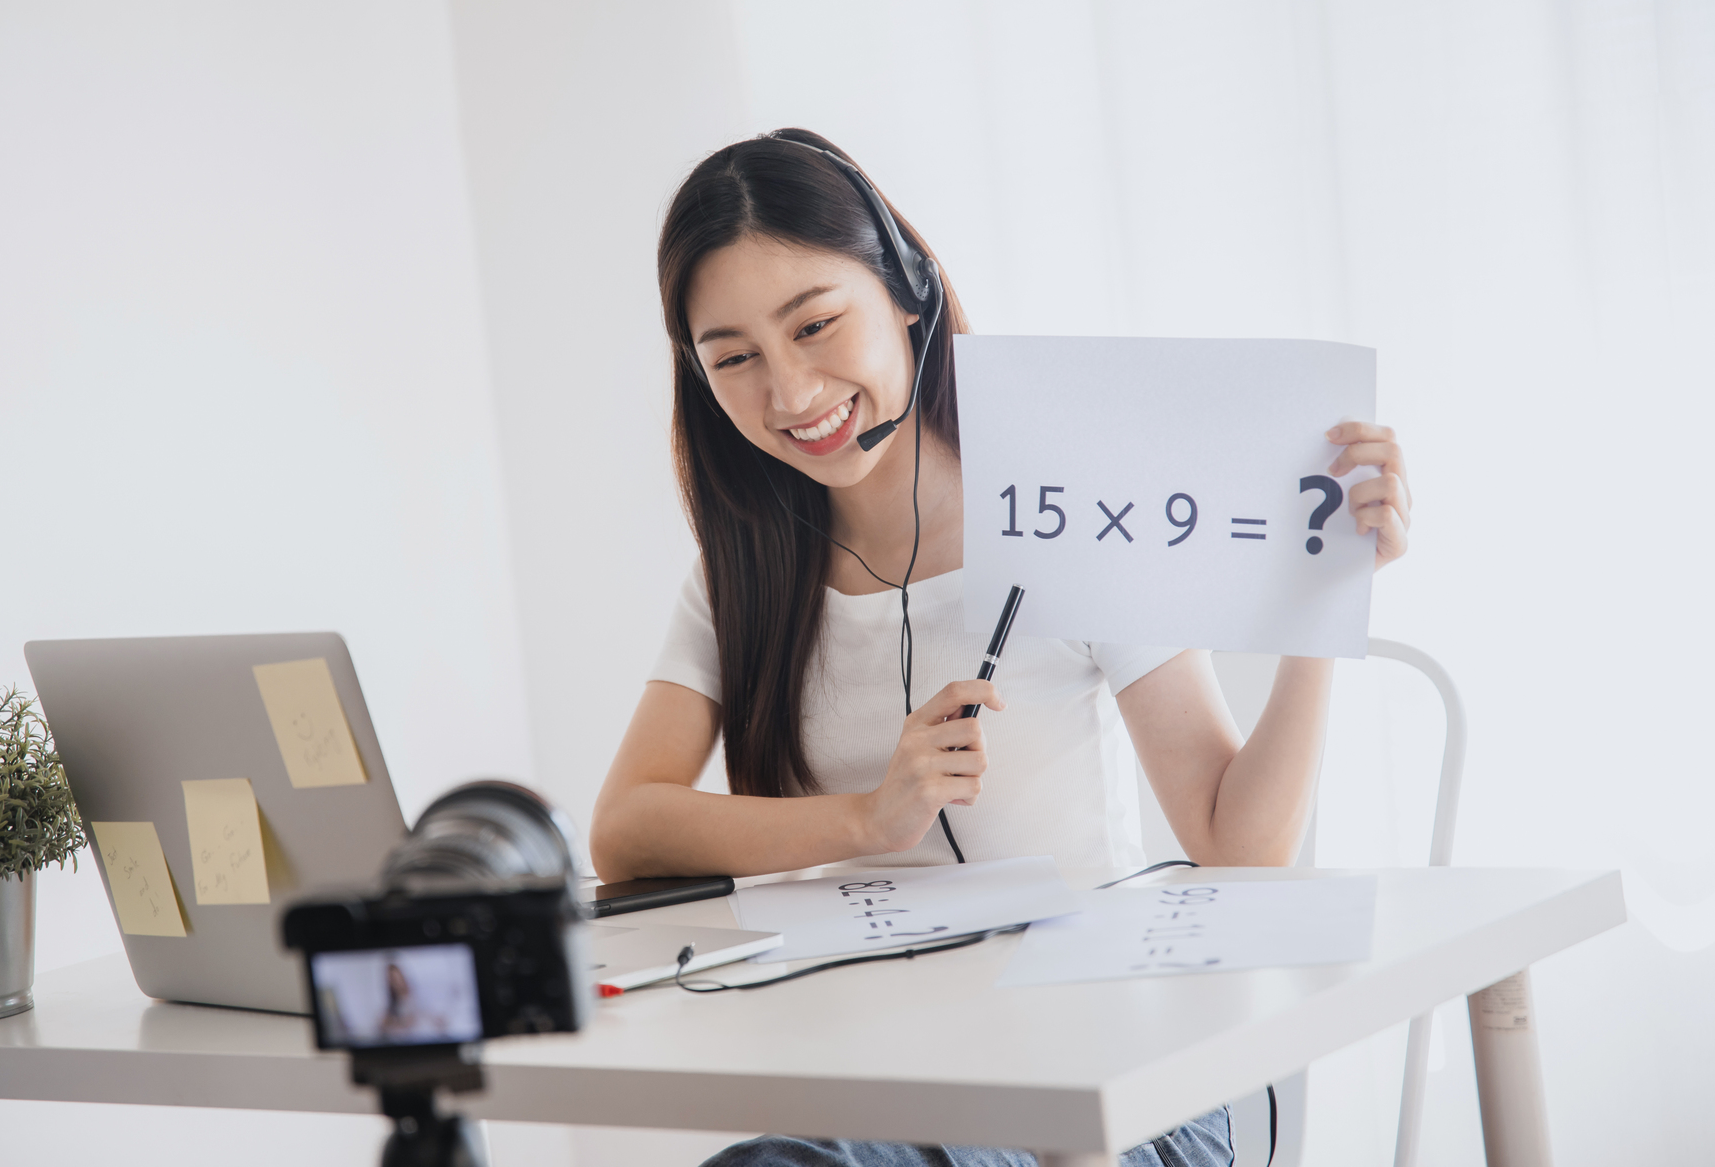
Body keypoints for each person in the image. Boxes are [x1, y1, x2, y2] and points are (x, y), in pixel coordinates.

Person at [589, 129, 1411, 1167]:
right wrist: (867, 818)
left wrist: (1315, 604)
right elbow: (625, 827)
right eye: (736, 359)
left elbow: (1237, 841)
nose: (792, 394)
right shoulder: (740, 576)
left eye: (817, 325)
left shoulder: (1069, 510)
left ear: (909, 292)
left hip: (1111, 1081)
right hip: (886, 1081)